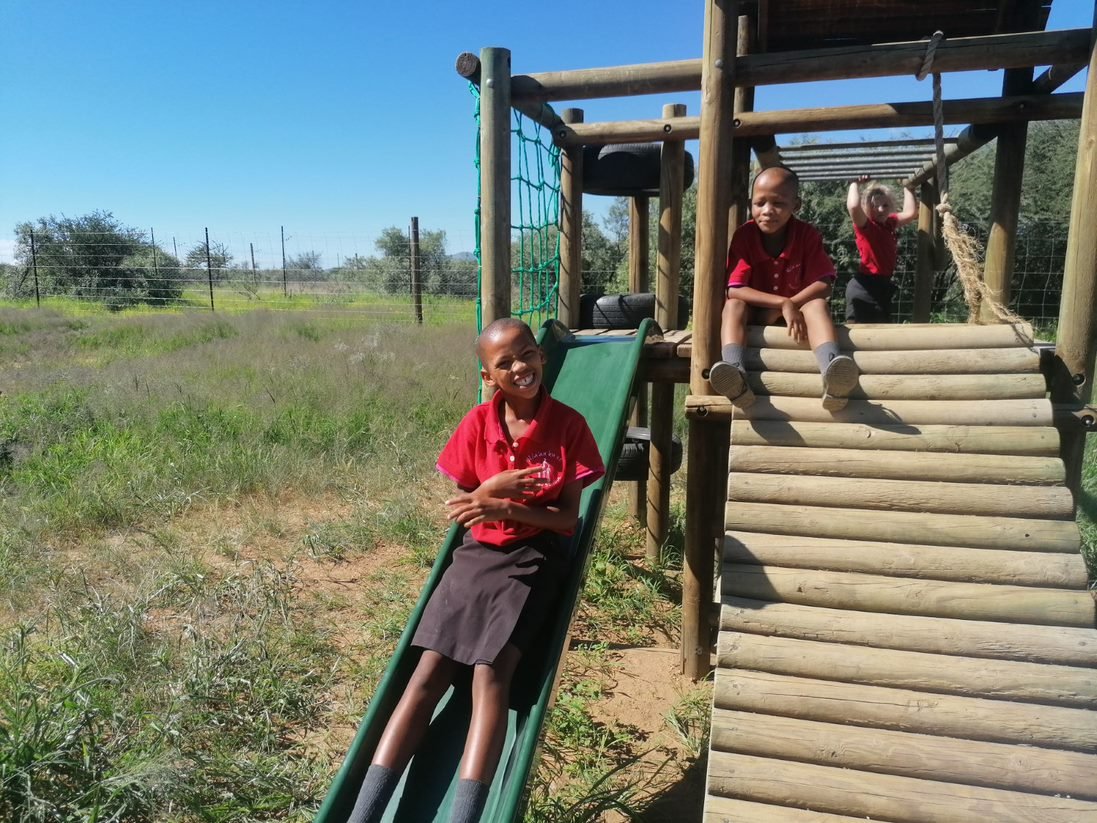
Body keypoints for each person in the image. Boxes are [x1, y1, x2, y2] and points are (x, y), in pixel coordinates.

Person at [347, 317, 605, 823]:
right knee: (429, 670)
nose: (519, 367)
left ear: (542, 356)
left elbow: (566, 519)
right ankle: (364, 812)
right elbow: (461, 505)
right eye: (504, 363)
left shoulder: (568, 425)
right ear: (489, 376)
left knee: (490, 672)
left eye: (526, 354)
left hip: (535, 556)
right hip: (477, 554)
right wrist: (491, 493)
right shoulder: (477, 423)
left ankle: (466, 815)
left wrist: (507, 508)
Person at [709, 165, 859, 411]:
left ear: (796, 206)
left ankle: (833, 375)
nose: (768, 211)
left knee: (817, 304)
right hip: (757, 312)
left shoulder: (807, 235)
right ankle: (735, 374)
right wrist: (782, 303)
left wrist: (792, 304)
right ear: (750, 204)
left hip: (798, 314)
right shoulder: (745, 236)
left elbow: (824, 283)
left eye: (778, 203)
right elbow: (734, 289)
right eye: (760, 203)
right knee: (733, 306)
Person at [844, 175, 919, 323]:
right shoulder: (866, 227)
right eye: (874, 206)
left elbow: (910, 213)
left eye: (885, 205)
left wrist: (908, 186)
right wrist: (854, 183)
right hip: (864, 288)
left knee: (881, 333)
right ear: (866, 207)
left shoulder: (888, 223)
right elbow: (853, 207)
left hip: (882, 286)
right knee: (860, 335)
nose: (880, 209)